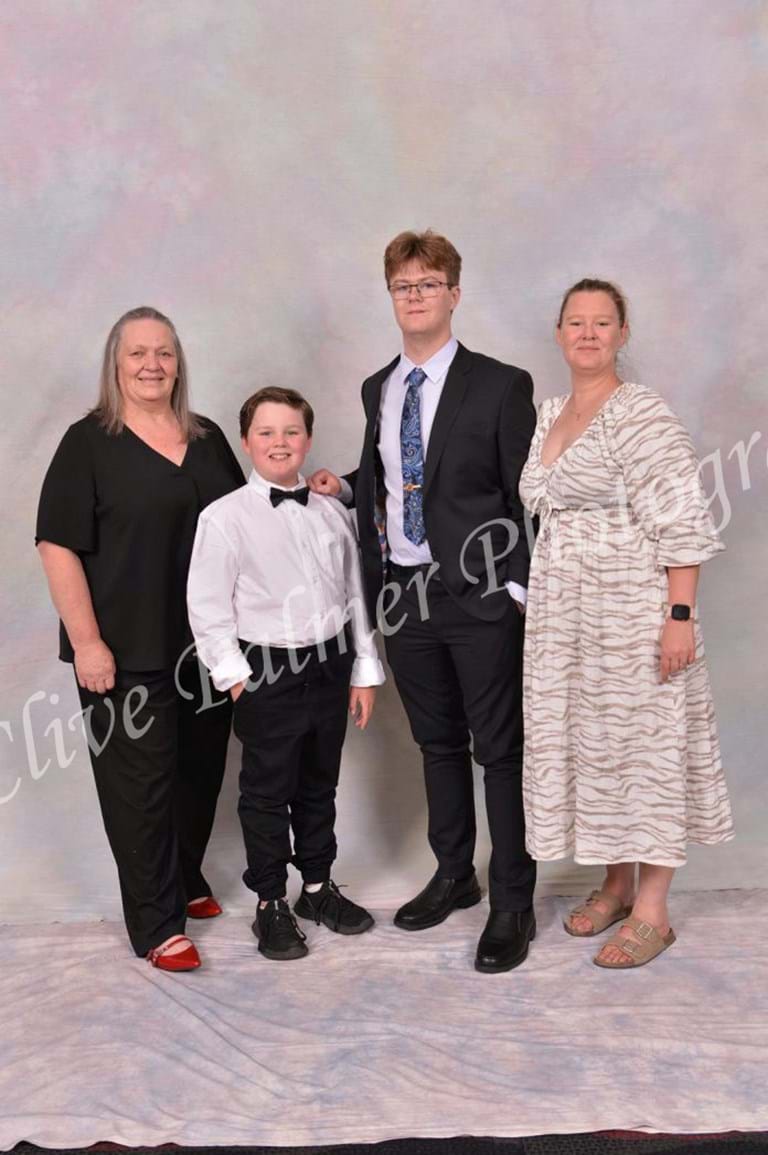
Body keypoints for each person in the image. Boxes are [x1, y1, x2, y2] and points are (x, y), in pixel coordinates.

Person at [309, 230, 537, 973]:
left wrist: (517, 587)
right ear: (391, 297)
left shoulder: (501, 385)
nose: (415, 296)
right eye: (403, 286)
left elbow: (525, 494)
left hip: (481, 595)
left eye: (428, 283)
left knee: (500, 751)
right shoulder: (379, 387)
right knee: (437, 743)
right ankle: (455, 874)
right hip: (404, 597)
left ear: (454, 294)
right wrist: (346, 488)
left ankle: (514, 900)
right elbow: (396, 475)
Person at [519, 278, 734, 969]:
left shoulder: (641, 412)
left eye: (602, 322)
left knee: (646, 751)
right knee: (597, 747)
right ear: (559, 334)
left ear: (622, 334)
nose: (588, 333)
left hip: (633, 611)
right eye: (576, 322)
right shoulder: (550, 412)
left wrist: (679, 617)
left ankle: (653, 910)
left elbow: (683, 518)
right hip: (566, 621)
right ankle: (615, 884)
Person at [36, 306, 245, 971]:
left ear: (178, 363)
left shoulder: (207, 438)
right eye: (137, 353)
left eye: (164, 352)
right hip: (123, 648)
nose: (152, 365)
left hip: (206, 648)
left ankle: (182, 875)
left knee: (199, 774)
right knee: (143, 788)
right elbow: (57, 545)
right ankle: (158, 924)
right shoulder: (88, 443)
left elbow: (247, 524)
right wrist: (86, 642)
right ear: (116, 364)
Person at [187, 386, 385, 962]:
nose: (280, 442)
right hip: (265, 669)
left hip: (330, 663)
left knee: (319, 784)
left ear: (308, 438)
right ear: (246, 441)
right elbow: (207, 606)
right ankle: (270, 900)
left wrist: (364, 669)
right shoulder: (223, 518)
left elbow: (355, 594)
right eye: (267, 433)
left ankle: (317, 889)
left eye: (291, 431)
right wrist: (235, 676)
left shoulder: (331, 512)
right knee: (267, 793)